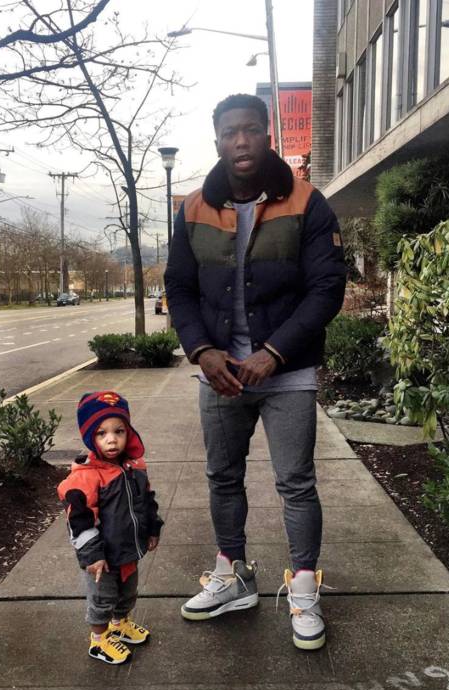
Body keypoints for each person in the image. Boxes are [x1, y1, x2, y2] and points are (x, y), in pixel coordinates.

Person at [164, 93, 346, 650]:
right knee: (222, 477)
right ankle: (233, 576)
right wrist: (201, 350)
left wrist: (275, 351)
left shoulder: (308, 203)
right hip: (220, 373)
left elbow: (326, 288)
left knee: (296, 483)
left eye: (249, 129)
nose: (240, 141)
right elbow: (179, 287)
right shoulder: (194, 208)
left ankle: (305, 588)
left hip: (286, 372)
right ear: (217, 140)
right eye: (229, 132)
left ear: (268, 134)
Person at [58, 390, 163, 664]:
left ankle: (120, 624)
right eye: (101, 433)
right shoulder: (86, 477)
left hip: (128, 550)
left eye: (119, 431)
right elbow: (79, 521)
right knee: (102, 599)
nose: (112, 439)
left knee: (127, 592)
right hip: (102, 558)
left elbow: (146, 499)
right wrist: (92, 555)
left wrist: (153, 527)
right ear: (90, 438)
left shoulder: (134, 467)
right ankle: (99, 640)